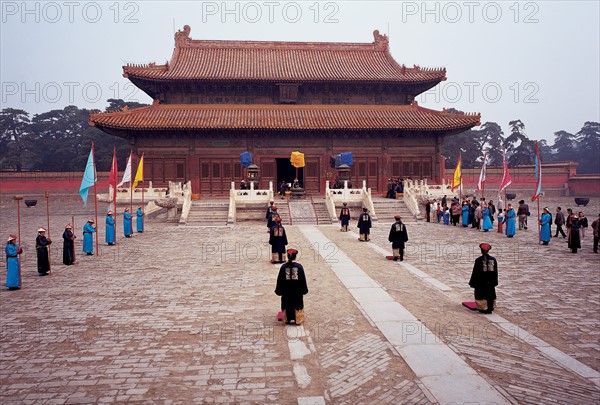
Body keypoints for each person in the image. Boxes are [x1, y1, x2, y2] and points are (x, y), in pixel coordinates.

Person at [275, 248, 308, 325]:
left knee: (287, 304)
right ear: (295, 257)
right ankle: (298, 319)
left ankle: (287, 319)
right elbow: (302, 280)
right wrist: (304, 290)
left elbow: (280, 280)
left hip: (286, 292)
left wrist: (279, 290)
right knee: (297, 304)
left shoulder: (283, 267)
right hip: (297, 292)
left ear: (287, 256)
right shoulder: (299, 267)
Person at [469, 243, 498, 314]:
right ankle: (490, 307)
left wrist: (472, 283)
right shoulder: (493, 259)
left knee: (481, 294)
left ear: (481, 251)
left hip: (481, 282)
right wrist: (495, 282)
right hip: (490, 282)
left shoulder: (478, 260)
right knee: (490, 294)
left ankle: (482, 307)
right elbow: (495, 272)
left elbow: (475, 273)